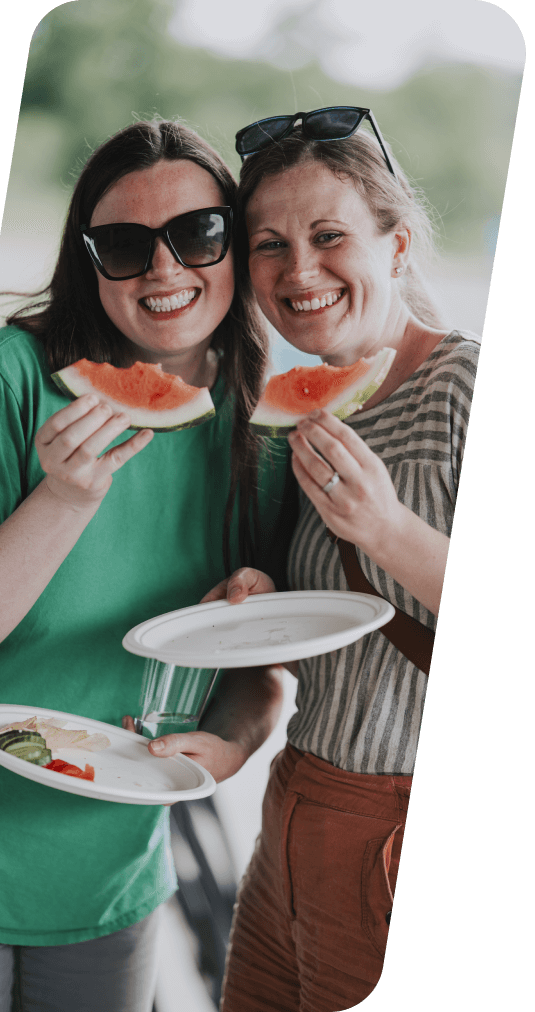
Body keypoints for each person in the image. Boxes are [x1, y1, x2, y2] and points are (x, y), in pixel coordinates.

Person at [0, 120, 290, 1012]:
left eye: (198, 233)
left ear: (237, 239)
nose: (163, 270)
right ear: (89, 260)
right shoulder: (8, 377)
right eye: (123, 245)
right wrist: (63, 499)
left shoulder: (263, 430)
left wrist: (227, 747)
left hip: (114, 882)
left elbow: (258, 675)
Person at [199, 108, 480, 1012]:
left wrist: (385, 527)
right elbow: (347, 636)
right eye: (268, 245)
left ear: (395, 247)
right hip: (293, 800)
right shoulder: (304, 412)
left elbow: (392, 557)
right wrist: (260, 601)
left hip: (389, 827)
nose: (298, 271)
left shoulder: (458, 386)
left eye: (328, 237)